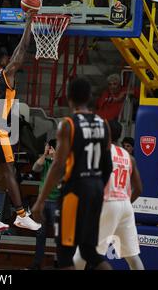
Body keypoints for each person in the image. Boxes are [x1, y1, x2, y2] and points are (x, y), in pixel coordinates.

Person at [31, 77, 113, 270]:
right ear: (89, 97)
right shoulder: (104, 124)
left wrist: (40, 201)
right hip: (96, 190)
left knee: (65, 255)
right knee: (89, 252)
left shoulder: (68, 124)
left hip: (75, 191)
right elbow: (108, 166)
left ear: (69, 98)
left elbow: (58, 165)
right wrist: (98, 188)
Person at [0, 12, 40, 231]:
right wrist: (29, 25)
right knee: (9, 170)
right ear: (3, 63)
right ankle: (21, 214)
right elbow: (21, 52)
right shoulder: (6, 73)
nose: (11, 61)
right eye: (8, 59)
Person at [74, 120, 144, 270]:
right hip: (125, 206)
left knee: (82, 252)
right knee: (132, 256)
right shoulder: (128, 156)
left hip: (107, 203)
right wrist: (124, 203)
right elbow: (139, 188)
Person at [28, 139, 59, 269]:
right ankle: (36, 263)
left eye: (51, 147)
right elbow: (35, 168)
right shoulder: (45, 160)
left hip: (57, 202)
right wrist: (45, 154)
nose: (49, 149)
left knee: (60, 235)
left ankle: (59, 262)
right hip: (43, 202)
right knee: (40, 234)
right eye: (48, 147)